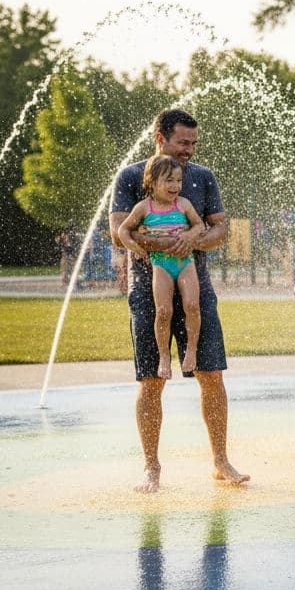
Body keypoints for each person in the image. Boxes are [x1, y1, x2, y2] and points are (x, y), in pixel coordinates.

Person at [110, 109, 248, 493]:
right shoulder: (131, 177)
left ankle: (220, 461)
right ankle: (151, 467)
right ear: (161, 138)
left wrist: (193, 239)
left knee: (212, 374)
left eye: (193, 143)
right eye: (182, 142)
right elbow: (118, 231)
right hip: (148, 290)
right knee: (152, 379)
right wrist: (162, 243)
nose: (189, 150)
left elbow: (220, 229)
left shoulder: (203, 177)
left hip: (196, 287)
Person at [115, 155, 206, 379]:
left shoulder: (183, 204)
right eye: (169, 180)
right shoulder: (143, 208)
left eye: (179, 180)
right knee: (164, 311)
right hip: (161, 264)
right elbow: (122, 231)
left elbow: (199, 226)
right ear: (152, 181)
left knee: (192, 305)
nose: (176, 186)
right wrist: (135, 249)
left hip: (185, 263)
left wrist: (189, 236)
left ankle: (191, 350)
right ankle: (164, 356)